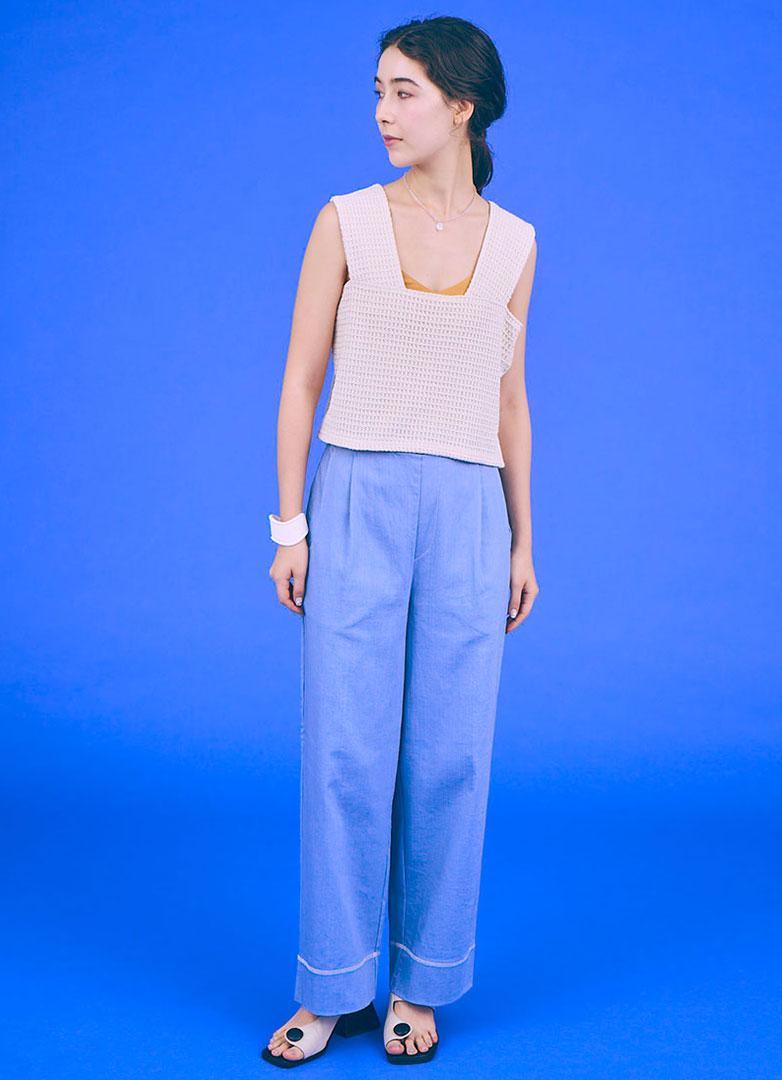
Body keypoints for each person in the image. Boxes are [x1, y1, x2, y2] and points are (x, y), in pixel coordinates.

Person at [262, 15, 539, 1067]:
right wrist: (290, 526)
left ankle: (422, 982)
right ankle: (331, 984)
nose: (382, 110)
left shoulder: (515, 243)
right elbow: (300, 380)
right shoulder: (345, 221)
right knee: (345, 748)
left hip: (470, 510)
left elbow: (509, 402)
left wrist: (523, 541)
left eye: (404, 90)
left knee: (451, 756)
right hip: (356, 497)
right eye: (377, 89)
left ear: (461, 105)